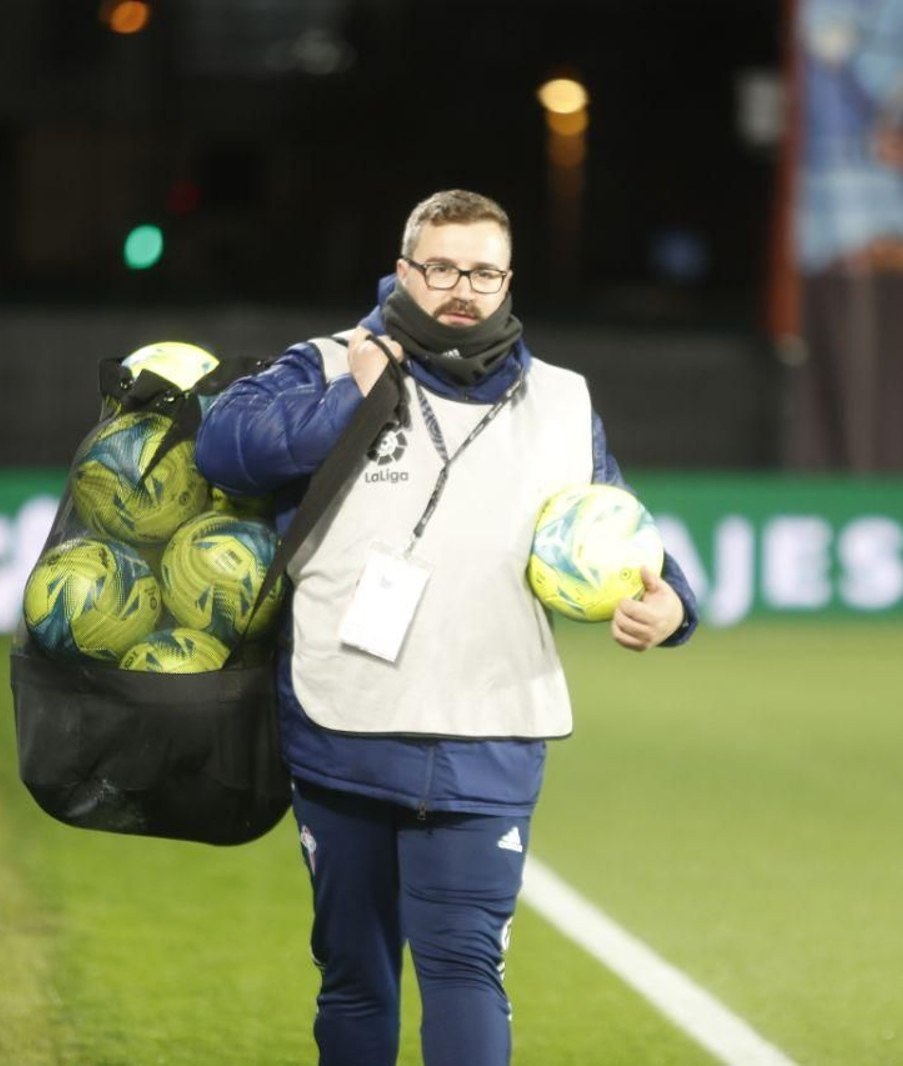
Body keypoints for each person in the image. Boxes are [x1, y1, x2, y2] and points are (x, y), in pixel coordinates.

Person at [194, 189, 699, 1065]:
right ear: (403, 272)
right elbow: (224, 449)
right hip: (343, 723)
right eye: (441, 268)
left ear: (508, 279)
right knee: (355, 976)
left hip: (489, 734)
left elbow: (617, 519)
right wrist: (352, 398)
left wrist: (674, 604)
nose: (463, 288)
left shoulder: (561, 400)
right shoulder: (328, 364)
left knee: (467, 968)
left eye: (483, 272)